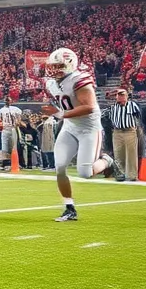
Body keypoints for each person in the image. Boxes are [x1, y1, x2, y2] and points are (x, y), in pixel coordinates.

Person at [41, 47, 116, 222]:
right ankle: (69, 208)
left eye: (58, 65)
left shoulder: (80, 79)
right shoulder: (51, 83)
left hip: (89, 128)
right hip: (69, 127)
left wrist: (59, 113)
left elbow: (89, 107)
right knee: (59, 167)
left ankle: (107, 160)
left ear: (69, 64)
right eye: (52, 65)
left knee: (85, 172)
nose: (53, 69)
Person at [104, 88, 139, 181]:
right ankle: (120, 174)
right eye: (119, 95)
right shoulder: (112, 107)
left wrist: (138, 129)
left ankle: (132, 175)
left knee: (131, 153)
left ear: (127, 96)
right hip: (117, 131)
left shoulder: (133, 105)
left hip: (129, 131)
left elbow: (139, 117)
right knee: (118, 153)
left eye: (122, 95)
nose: (121, 97)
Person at [0, 98, 22, 169]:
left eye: (8, 100)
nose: (7, 102)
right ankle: (5, 163)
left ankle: (15, 162)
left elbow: (19, 119)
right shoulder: (1, 110)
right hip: (5, 129)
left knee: (14, 146)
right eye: (6, 100)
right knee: (4, 146)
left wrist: (18, 122)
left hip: (13, 128)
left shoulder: (16, 109)